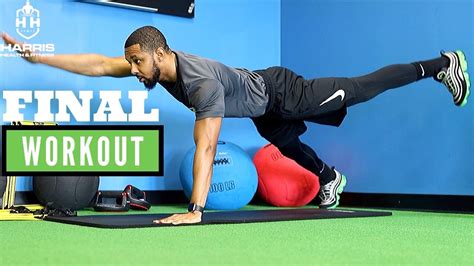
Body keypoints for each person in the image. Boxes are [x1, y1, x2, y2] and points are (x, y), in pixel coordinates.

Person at [1, 26, 470, 225]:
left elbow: (205, 147)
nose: (135, 70)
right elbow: (99, 64)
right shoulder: (153, 67)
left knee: (362, 87)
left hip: (285, 91)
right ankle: (329, 179)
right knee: (283, 143)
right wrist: (37, 55)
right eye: (133, 63)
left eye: (139, 61)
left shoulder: (198, 80)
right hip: (265, 107)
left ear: (160, 53)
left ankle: (440, 64)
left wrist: (196, 209)